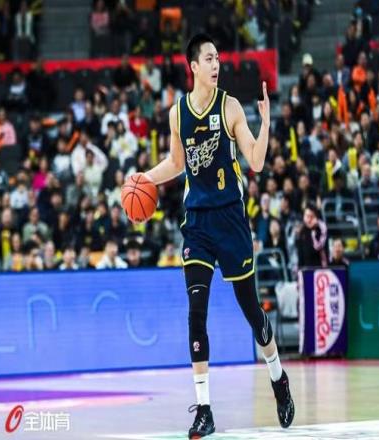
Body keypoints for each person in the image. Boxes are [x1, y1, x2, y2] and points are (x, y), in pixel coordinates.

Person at [134, 34, 294, 438]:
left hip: (231, 219)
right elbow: (176, 163)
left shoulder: (230, 107)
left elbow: (256, 161)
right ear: (193, 66)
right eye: (208, 58)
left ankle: (278, 378)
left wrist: (266, 123)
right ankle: (204, 410)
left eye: (218, 58)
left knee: (252, 311)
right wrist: (142, 179)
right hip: (198, 223)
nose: (216, 64)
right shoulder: (178, 113)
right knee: (196, 312)